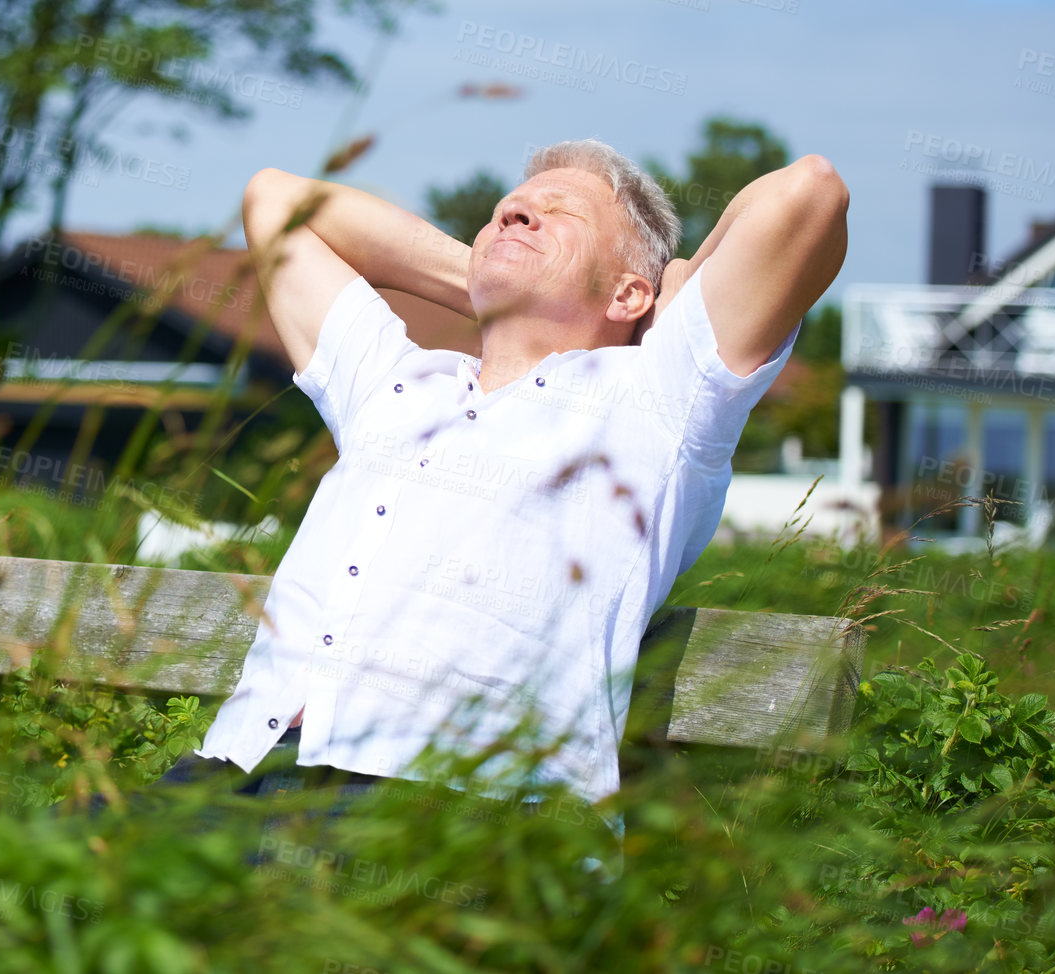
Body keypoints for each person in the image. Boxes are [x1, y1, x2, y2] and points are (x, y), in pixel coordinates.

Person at [150, 139, 849, 833]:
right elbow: (275, 200)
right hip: (230, 771)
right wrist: (494, 275)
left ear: (631, 292)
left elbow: (808, 193)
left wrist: (674, 283)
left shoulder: (659, 396)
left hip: (457, 805)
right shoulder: (398, 382)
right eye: (503, 212)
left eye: (558, 212)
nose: (514, 215)